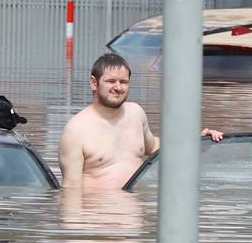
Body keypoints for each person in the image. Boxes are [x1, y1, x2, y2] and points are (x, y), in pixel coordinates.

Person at [59, 52, 222, 190]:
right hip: (99, 213)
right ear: (94, 83)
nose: (118, 87)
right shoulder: (76, 130)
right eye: (111, 81)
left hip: (137, 211)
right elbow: (71, 191)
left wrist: (195, 142)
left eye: (123, 82)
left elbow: (152, 146)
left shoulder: (136, 113)